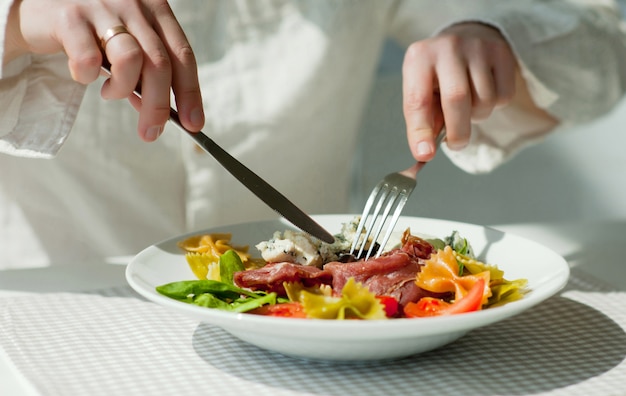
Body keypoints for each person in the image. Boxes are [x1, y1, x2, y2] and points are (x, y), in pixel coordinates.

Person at [1, 0, 625, 269]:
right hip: (53, 316)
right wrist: (19, 18)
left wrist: (492, 35)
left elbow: (602, 45)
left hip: (310, 350)